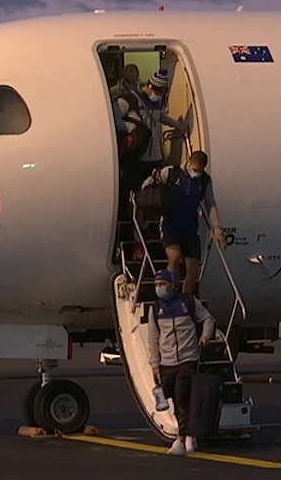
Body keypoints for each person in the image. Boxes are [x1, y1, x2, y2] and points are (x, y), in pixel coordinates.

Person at [115, 68, 187, 259]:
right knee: (139, 203)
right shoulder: (130, 100)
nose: (159, 94)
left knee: (152, 201)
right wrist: (132, 126)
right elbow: (114, 117)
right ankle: (136, 241)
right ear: (150, 86)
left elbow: (160, 117)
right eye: (158, 90)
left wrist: (177, 125)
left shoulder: (156, 102)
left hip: (155, 158)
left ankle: (145, 231)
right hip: (139, 161)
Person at [147, 269, 216, 455]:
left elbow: (208, 319)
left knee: (181, 393)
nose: (159, 288)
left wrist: (205, 336)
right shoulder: (155, 308)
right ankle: (188, 434)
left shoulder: (188, 302)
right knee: (172, 396)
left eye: (162, 284)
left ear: (173, 285)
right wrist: (154, 363)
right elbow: (153, 338)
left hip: (188, 357)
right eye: (157, 284)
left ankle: (181, 437)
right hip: (167, 360)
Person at [142, 150, 225, 295]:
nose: (197, 174)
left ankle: (186, 299)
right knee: (175, 258)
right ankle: (169, 295)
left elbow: (210, 203)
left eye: (200, 171)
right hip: (170, 224)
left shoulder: (205, 181)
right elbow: (151, 183)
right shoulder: (172, 173)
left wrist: (217, 229)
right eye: (195, 170)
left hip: (190, 227)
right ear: (189, 162)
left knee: (193, 267)